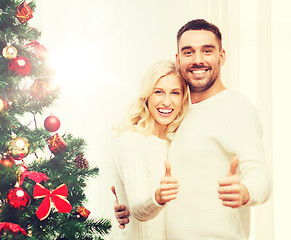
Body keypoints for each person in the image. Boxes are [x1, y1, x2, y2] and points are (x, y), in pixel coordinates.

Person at [112, 19, 272, 240]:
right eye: (188, 52)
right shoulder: (176, 113)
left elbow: (259, 172)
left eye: (207, 51)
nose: (198, 60)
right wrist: (126, 204)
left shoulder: (236, 107)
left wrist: (246, 192)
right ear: (178, 60)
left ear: (222, 56)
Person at [112, 59, 190, 240]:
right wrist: (159, 196)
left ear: (183, 98)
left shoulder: (176, 144)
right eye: (159, 92)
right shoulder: (131, 141)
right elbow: (138, 209)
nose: (167, 101)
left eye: (175, 93)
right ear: (147, 96)